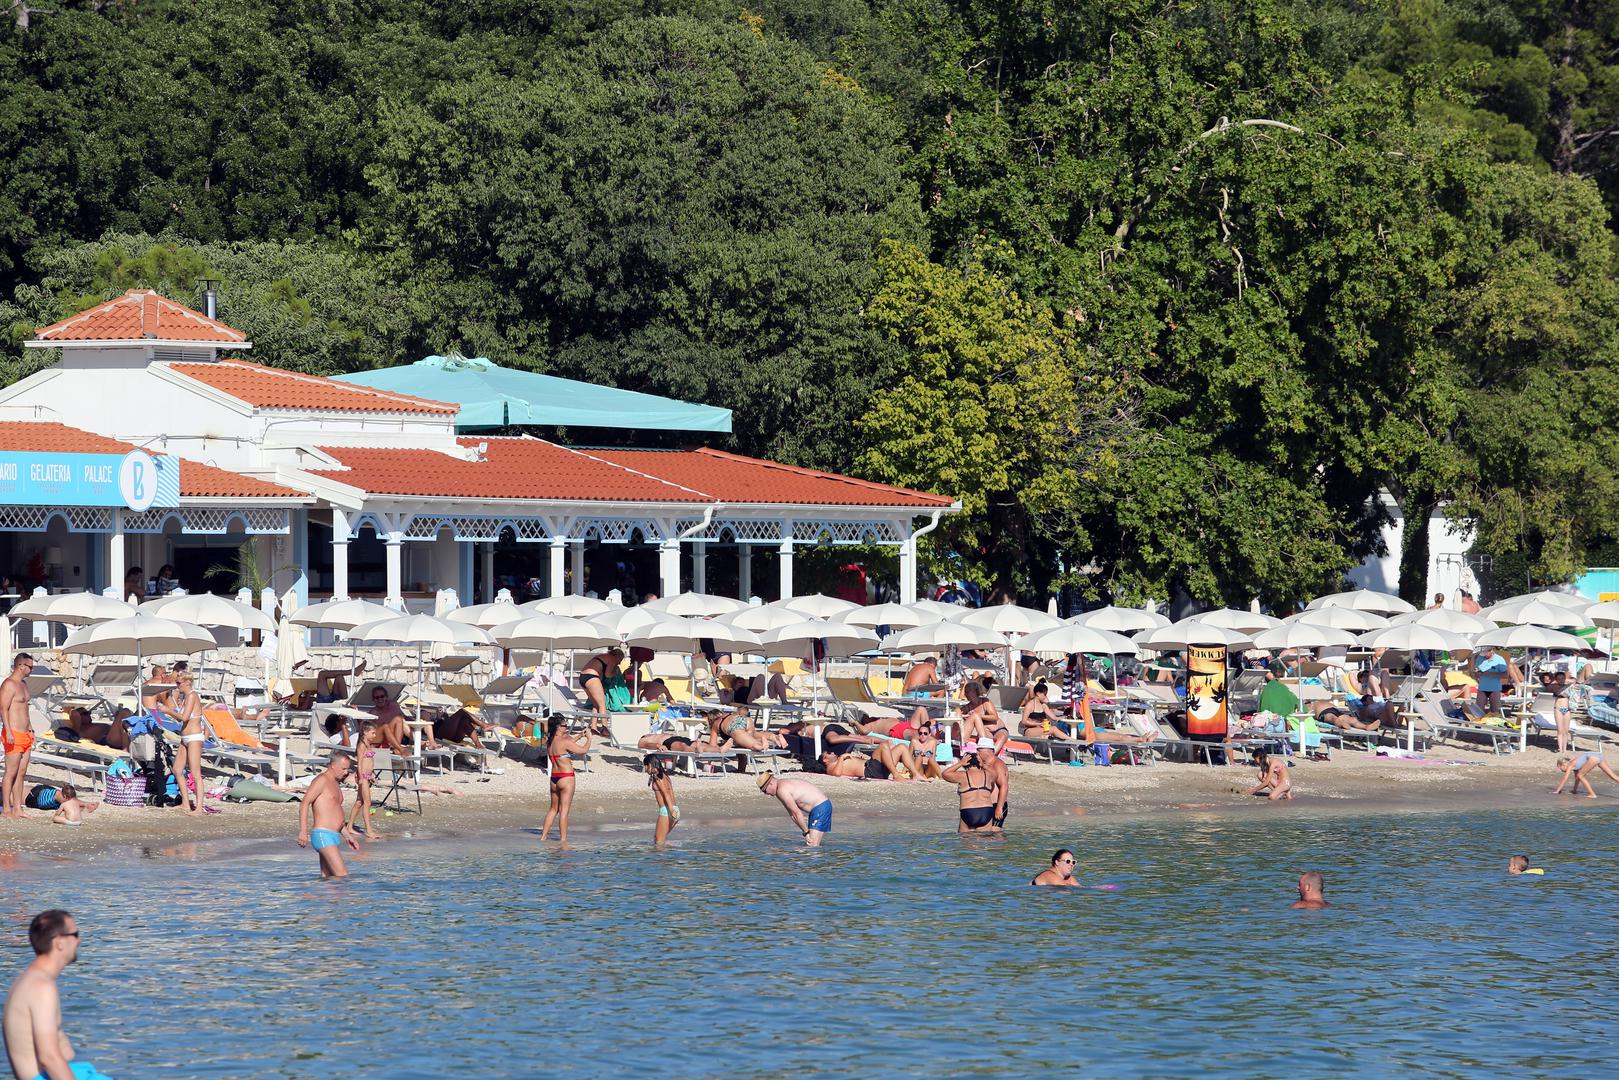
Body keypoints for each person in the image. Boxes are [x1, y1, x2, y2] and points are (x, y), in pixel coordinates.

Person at [4, 910, 111, 1080]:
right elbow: (49, 1058)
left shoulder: (27, 980)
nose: (79, 940)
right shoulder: (41, 987)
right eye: (75, 934)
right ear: (60, 942)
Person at [297, 750, 360, 878]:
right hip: (323, 834)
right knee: (342, 876)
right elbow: (305, 803)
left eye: (347, 769)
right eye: (343, 769)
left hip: (334, 835)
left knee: (328, 880)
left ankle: (321, 898)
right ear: (333, 765)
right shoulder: (322, 780)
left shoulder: (335, 783)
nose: (346, 772)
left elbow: (334, 813)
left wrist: (347, 836)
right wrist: (303, 831)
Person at [540, 716, 590, 843]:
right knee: (564, 811)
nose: (566, 727)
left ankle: (543, 836)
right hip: (566, 777)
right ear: (557, 727)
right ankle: (563, 841)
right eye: (564, 725)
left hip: (554, 778)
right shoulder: (564, 741)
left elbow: (567, 744)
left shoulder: (550, 741)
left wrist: (579, 736)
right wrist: (589, 738)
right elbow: (583, 750)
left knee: (553, 809)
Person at [941, 739, 1007, 832]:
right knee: (986, 842)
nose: (977, 752)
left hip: (969, 811)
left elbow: (945, 774)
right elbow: (995, 775)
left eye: (979, 750)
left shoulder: (962, 776)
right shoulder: (988, 775)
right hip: (986, 811)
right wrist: (984, 765)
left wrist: (960, 763)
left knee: (965, 841)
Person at [756, 771, 831, 846]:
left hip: (820, 807)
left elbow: (796, 813)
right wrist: (805, 832)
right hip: (818, 808)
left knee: (812, 845)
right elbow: (792, 814)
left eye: (765, 791)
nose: (766, 794)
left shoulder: (782, 790)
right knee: (811, 845)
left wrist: (806, 832)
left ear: (771, 784)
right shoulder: (781, 787)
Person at [1, 655, 35, 820]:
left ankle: (17, 809)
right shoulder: (9, 684)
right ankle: (6, 808)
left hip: (26, 734)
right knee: (11, 772)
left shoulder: (24, 684)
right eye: (30, 667)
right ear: (21, 666)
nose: (32, 669)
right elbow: (3, 709)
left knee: (21, 773)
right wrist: (8, 731)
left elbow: (25, 710)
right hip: (13, 733)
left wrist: (31, 729)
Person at [170, 673, 206, 817]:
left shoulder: (192, 696)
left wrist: (167, 711)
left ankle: (199, 808)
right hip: (184, 737)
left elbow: (184, 717)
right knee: (177, 769)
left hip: (194, 738)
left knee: (195, 773)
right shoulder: (185, 698)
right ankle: (186, 803)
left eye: (179, 683)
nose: (177, 686)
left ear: (187, 683)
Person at [1553, 752, 1619, 798]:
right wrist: (1574, 790)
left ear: (1562, 765)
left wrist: (1557, 791)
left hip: (1593, 757)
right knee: (1612, 776)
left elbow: (1565, 778)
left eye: (1561, 769)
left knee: (1580, 775)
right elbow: (1577, 779)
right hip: (1599, 756)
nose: (1562, 771)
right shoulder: (1575, 766)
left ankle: (1592, 794)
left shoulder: (1570, 764)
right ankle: (1589, 793)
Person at [646, 757, 678, 848]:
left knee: (659, 843)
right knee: (659, 839)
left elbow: (665, 793)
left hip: (667, 811)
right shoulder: (665, 776)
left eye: (645, 766)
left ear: (649, 765)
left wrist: (671, 810)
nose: (645, 770)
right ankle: (669, 853)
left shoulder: (658, 778)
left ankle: (662, 861)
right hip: (675, 809)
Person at [1471, 644, 1510, 716]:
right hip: (1482, 688)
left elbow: (1505, 675)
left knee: (1494, 711)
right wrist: (1476, 673)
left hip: (1494, 689)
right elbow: (1476, 673)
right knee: (1478, 710)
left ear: (1491, 651)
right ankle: (1478, 726)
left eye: (1486, 654)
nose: (1485, 656)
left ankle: (1494, 725)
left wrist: (1490, 674)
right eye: (1484, 654)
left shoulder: (1499, 659)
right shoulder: (1480, 658)